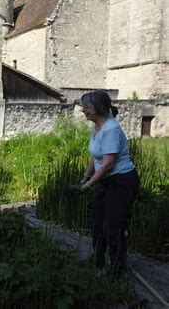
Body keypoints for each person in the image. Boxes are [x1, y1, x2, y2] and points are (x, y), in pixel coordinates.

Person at [69, 90, 139, 280]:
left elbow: (108, 163)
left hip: (122, 181)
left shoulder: (111, 129)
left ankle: (117, 270)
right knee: (97, 223)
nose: (83, 110)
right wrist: (84, 177)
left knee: (112, 226)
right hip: (107, 180)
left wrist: (87, 186)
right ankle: (97, 260)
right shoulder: (97, 127)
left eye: (87, 106)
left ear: (99, 108)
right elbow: (94, 154)